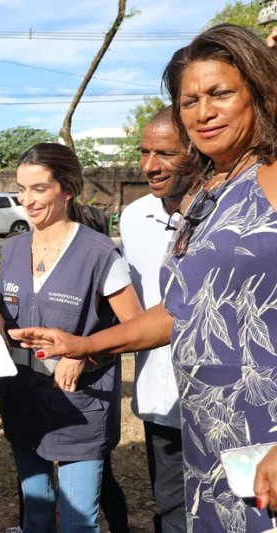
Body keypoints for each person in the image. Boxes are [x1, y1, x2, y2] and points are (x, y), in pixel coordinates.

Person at [9, 24, 277, 532]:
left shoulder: (272, 176)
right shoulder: (208, 194)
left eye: (220, 93)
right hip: (212, 435)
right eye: (189, 100)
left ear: (259, 91)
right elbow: (181, 311)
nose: (203, 112)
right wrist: (86, 345)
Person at [0, 142, 143, 533]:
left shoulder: (98, 253)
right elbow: (6, 309)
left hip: (79, 405)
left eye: (39, 189)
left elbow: (135, 326)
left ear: (68, 190)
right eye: (21, 189)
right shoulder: (12, 249)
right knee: (36, 513)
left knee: (78, 521)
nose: (27, 200)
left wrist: (83, 354)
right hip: (22, 398)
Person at [120, 107, 194, 532]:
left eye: (164, 153)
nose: (149, 166)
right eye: (144, 152)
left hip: (222, 401)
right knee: (171, 507)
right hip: (159, 397)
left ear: (195, 151)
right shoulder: (134, 217)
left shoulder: (232, 212)